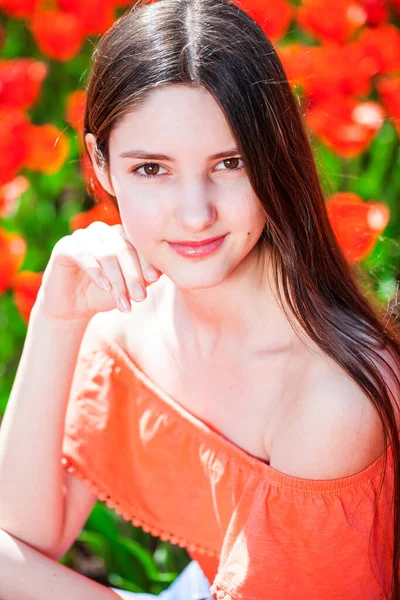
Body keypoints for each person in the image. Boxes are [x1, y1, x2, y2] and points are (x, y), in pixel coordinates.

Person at [0, 0, 400, 598]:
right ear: (100, 166)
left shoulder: (328, 396)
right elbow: (28, 533)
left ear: (277, 155)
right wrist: (57, 321)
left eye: (231, 163)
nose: (195, 215)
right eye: (152, 169)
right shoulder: (127, 322)